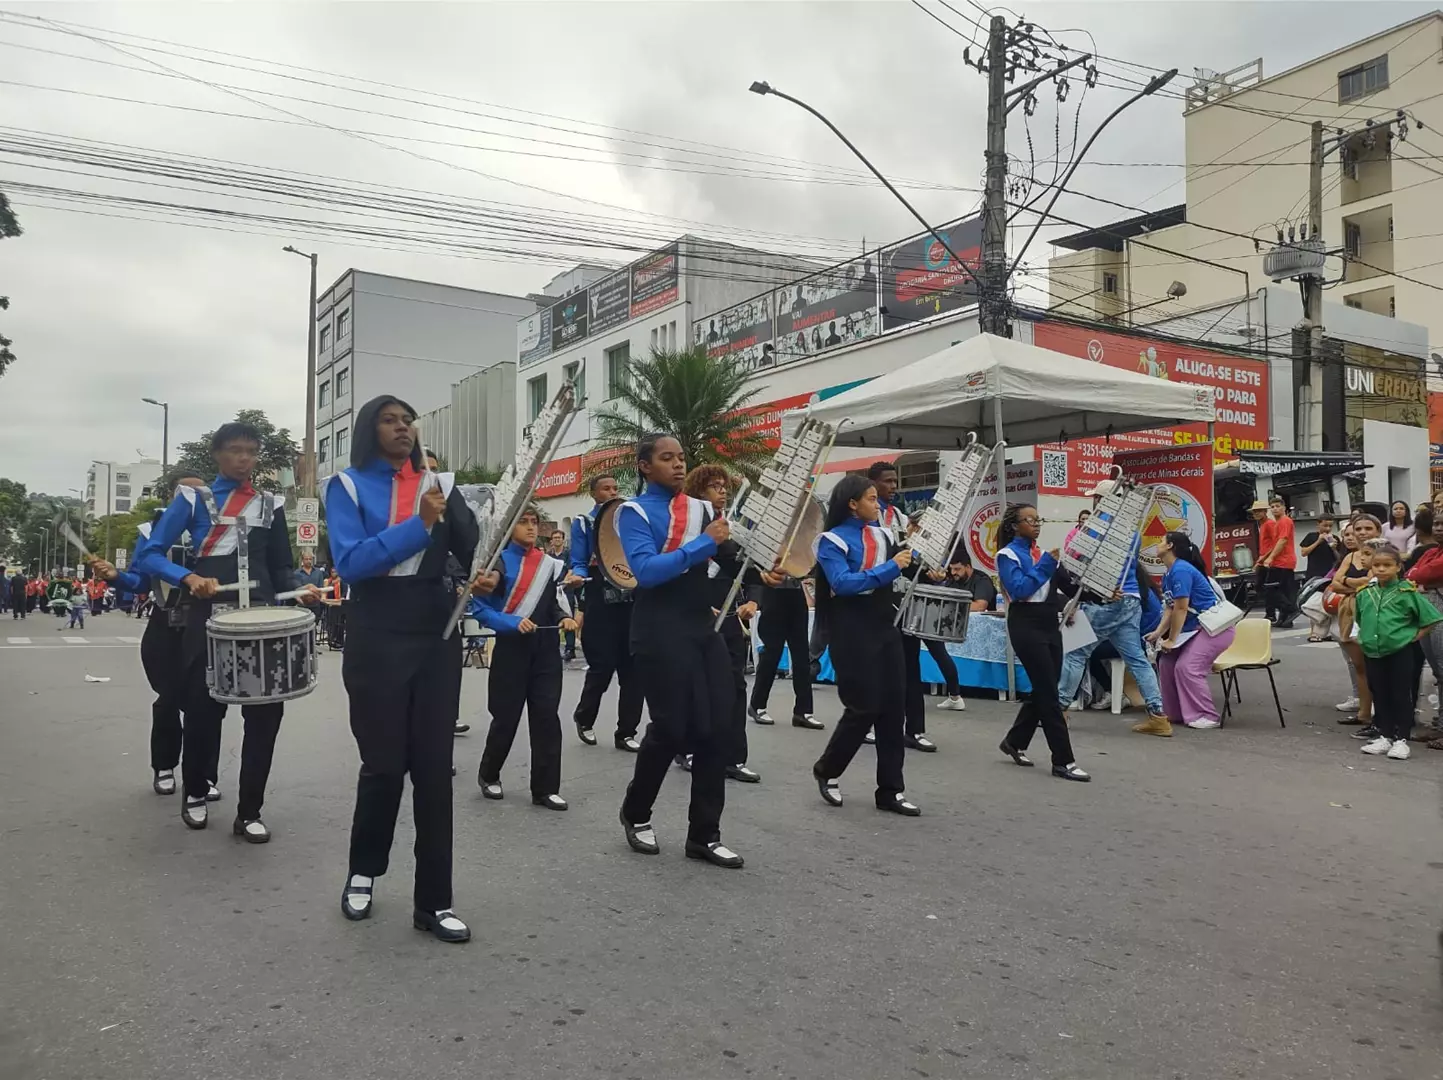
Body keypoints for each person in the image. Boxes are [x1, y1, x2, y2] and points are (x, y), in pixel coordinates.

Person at [327, 395, 495, 943]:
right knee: (382, 765)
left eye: (407, 421)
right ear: (369, 430)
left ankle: (434, 901)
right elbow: (351, 563)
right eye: (390, 420)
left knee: (433, 768)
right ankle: (363, 871)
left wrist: (486, 575)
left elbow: (474, 552)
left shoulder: (441, 484)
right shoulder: (347, 486)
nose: (402, 428)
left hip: (436, 633)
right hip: (376, 631)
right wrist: (419, 523)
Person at [136, 423, 321, 840]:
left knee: (266, 715)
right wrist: (187, 578)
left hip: (261, 620)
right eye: (236, 451)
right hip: (209, 619)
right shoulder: (192, 499)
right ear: (217, 454)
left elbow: (278, 567)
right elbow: (149, 555)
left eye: (251, 452)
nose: (244, 459)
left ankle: (250, 810)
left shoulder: (269, 503)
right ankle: (196, 793)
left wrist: (297, 589)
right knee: (203, 712)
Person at [615, 434, 744, 868]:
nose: (676, 464)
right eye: (666, 458)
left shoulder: (703, 510)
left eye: (681, 458)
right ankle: (636, 813)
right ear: (644, 466)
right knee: (671, 728)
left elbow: (728, 559)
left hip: (700, 627)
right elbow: (646, 572)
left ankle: (704, 835)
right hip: (656, 629)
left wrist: (769, 569)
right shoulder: (632, 512)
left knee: (716, 728)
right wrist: (704, 543)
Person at [95, 473, 213, 798]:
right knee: (169, 699)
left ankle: (204, 776)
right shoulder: (152, 533)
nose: (194, 497)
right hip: (165, 625)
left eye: (200, 491)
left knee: (207, 705)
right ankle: (164, 766)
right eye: (186, 491)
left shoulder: (218, 532)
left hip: (205, 626)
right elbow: (141, 582)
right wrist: (117, 576)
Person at [809, 473, 919, 813]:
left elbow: (904, 565)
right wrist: (890, 568)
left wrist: (924, 566)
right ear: (852, 504)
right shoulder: (831, 541)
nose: (878, 503)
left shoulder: (884, 534)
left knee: (893, 709)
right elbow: (842, 583)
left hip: (884, 624)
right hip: (850, 627)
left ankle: (890, 790)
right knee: (864, 706)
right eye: (871, 498)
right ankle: (827, 770)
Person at [471, 506, 576, 810]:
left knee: (546, 716)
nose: (530, 528)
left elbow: (556, 601)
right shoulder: (498, 563)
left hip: (545, 650)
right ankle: (489, 774)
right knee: (506, 718)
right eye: (523, 523)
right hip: (511, 648)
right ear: (509, 527)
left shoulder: (549, 565)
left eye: (534, 522)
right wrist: (511, 623)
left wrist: (566, 618)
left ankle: (545, 788)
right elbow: (480, 609)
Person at [995, 504, 1090, 781]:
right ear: (1015, 526)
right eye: (1030, 520)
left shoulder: (1041, 553)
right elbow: (1020, 589)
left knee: (1044, 686)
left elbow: (1069, 587)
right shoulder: (1007, 555)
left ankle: (1014, 741)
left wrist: (1101, 590)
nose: (1037, 524)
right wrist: (1046, 563)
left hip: (1050, 624)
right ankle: (1063, 760)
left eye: (1038, 519)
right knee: (1049, 693)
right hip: (1026, 625)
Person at [681, 464, 761, 784]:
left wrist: (754, 599)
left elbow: (746, 567)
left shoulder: (733, 528)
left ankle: (733, 757)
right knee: (695, 687)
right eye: (714, 486)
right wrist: (701, 604)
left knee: (736, 686)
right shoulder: (690, 529)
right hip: (698, 616)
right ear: (699, 493)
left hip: (729, 616)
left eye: (724, 486)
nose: (723, 491)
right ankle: (687, 748)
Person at [1056, 520, 1173, 735]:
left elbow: (1078, 564)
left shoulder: (1094, 529)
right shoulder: (1133, 532)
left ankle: (1059, 711)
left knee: (1074, 654)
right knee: (1137, 659)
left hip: (1103, 599)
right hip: (1131, 599)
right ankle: (1158, 716)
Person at [569, 474, 644, 751]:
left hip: (631, 600)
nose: (612, 492)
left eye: (615, 488)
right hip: (600, 598)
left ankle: (626, 732)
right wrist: (577, 576)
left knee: (633, 671)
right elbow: (578, 560)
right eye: (605, 488)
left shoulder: (630, 520)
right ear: (593, 493)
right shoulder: (584, 523)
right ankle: (585, 718)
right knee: (601, 667)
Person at [1354, 542, 1441, 760]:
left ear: (1398, 567)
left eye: (1387, 565)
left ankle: (1401, 738)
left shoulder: (1407, 592)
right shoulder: (1365, 593)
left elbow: (1430, 618)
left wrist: (1414, 637)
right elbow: (1360, 618)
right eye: (1377, 565)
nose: (1382, 569)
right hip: (1373, 651)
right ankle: (1384, 735)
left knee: (1401, 694)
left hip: (1399, 651)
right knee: (1379, 692)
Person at [1148, 532, 1235, 731]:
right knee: (1167, 663)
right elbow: (1169, 607)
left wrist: (1171, 639)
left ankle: (1206, 715)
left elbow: (1181, 608)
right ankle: (1175, 712)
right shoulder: (1169, 572)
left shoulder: (1180, 570)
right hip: (1195, 630)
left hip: (1214, 629)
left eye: (1161, 540)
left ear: (1170, 545)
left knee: (1187, 667)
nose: (1158, 543)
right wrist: (1157, 632)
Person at [1086, 562, 1163, 711]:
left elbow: (1109, 623)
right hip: (1147, 641)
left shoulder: (1127, 596)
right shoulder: (1147, 591)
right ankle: (1156, 708)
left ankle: (1109, 691)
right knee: (1139, 663)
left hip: (1139, 641)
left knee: (1086, 650)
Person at [1330, 514, 1382, 733]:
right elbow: (1335, 584)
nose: (1362, 533)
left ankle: (1382, 717)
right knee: (1359, 666)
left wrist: (1348, 582)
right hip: (1350, 612)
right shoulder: (1350, 557)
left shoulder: (1384, 553)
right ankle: (1363, 713)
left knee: (1377, 667)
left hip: (1373, 612)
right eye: (1357, 529)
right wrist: (1356, 584)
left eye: (1367, 528)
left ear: (1378, 531)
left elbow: (1374, 580)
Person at [1255, 496, 1299, 627]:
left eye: (1278, 506)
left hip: (1282, 561)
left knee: (1270, 589)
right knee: (1281, 590)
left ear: (1284, 508)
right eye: (1273, 507)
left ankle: (1291, 609)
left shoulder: (1284, 521)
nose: (1275, 509)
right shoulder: (1277, 523)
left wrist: (1270, 557)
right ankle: (1284, 619)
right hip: (1280, 561)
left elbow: (1282, 540)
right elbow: (1274, 543)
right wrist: (1263, 559)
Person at [1300, 517, 1342, 582]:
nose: (1328, 528)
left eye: (1330, 526)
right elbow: (1303, 553)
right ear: (1318, 525)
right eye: (1325, 526)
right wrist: (1318, 542)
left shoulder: (1335, 538)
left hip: (1330, 574)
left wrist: (1334, 549)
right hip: (1313, 575)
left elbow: (1340, 559)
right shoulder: (1311, 536)